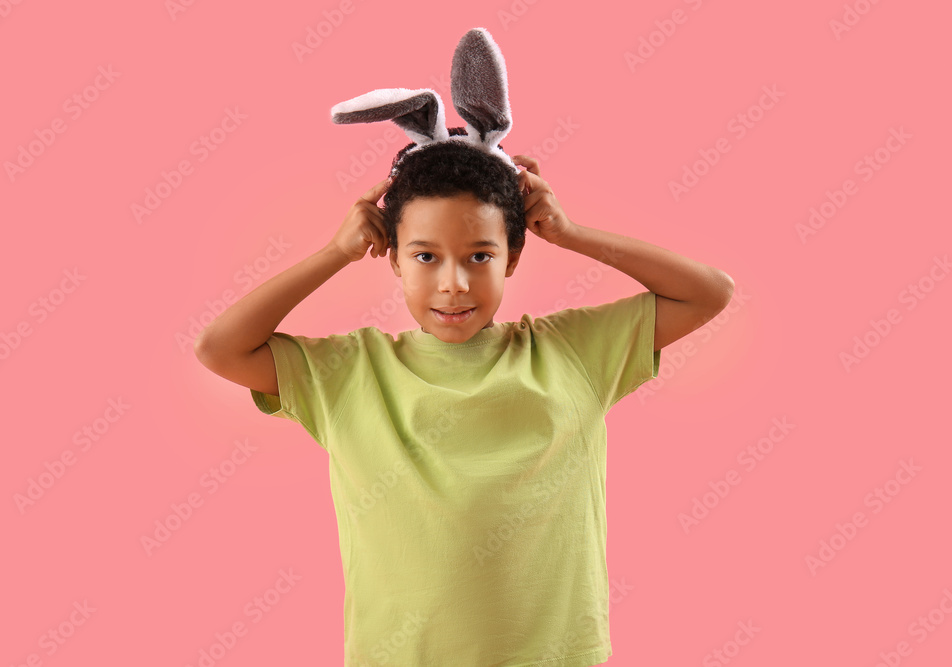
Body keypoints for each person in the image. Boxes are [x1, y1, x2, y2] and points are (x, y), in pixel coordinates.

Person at [194, 137, 735, 665]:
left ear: (513, 257)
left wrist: (573, 235)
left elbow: (709, 292)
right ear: (393, 259)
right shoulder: (348, 372)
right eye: (425, 255)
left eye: (480, 255)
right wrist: (335, 253)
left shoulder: (573, 352)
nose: (453, 283)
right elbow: (219, 348)